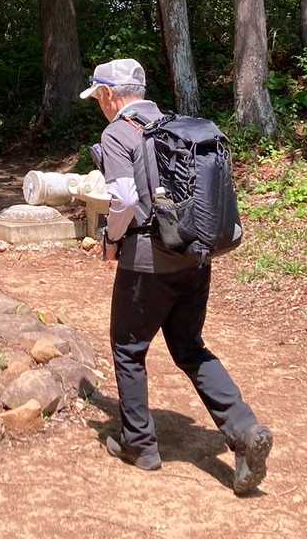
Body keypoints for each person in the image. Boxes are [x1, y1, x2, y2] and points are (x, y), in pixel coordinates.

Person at [82, 57, 273, 495]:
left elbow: (123, 201)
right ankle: (244, 430)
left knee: (128, 347)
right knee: (189, 347)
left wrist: (111, 240)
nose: (99, 106)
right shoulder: (173, 127)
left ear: (109, 95)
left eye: (98, 98)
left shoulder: (118, 134)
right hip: (194, 258)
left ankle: (140, 445)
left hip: (147, 264)